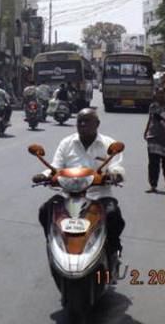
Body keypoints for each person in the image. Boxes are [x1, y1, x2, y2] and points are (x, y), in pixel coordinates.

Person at [33, 108, 126, 264]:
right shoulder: (66, 143)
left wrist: (114, 175)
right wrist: (44, 175)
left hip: (98, 195)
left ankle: (113, 252)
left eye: (87, 121)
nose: (82, 124)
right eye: (79, 121)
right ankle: (53, 245)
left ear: (97, 124)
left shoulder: (109, 144)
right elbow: (55, 166)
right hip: (68, 195)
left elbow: (117, 166)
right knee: (45, 211)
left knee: (113, 215)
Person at [143, 87, 165, 193]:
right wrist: (146, 132)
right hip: (153, 138)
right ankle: (153, 185)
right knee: (153, 163)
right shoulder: (153, 106)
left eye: (162, 94)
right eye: (158, 94)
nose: (160, 96)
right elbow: (150, 120)